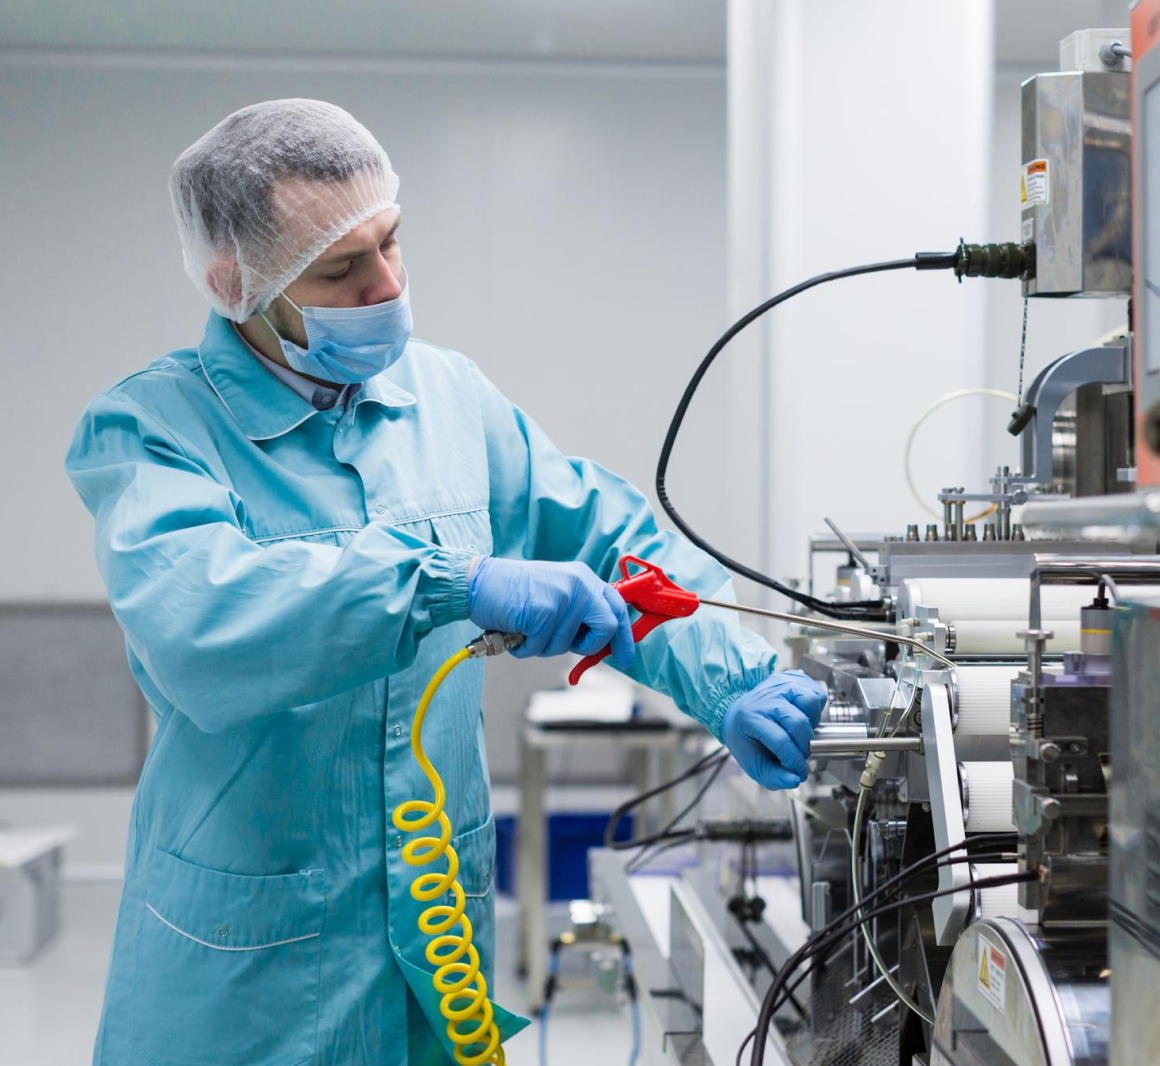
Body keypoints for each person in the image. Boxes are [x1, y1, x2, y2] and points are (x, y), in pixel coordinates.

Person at [65, 99, 827, 1066]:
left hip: (435, 960)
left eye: (391, 244)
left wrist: (733, 677)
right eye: (342, 269)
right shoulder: (153, 428)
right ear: (235, 283)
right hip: (246, 975)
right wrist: (447, 584)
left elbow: (614, 542)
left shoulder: (448, 400)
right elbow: (201, 620)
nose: (387, 285)